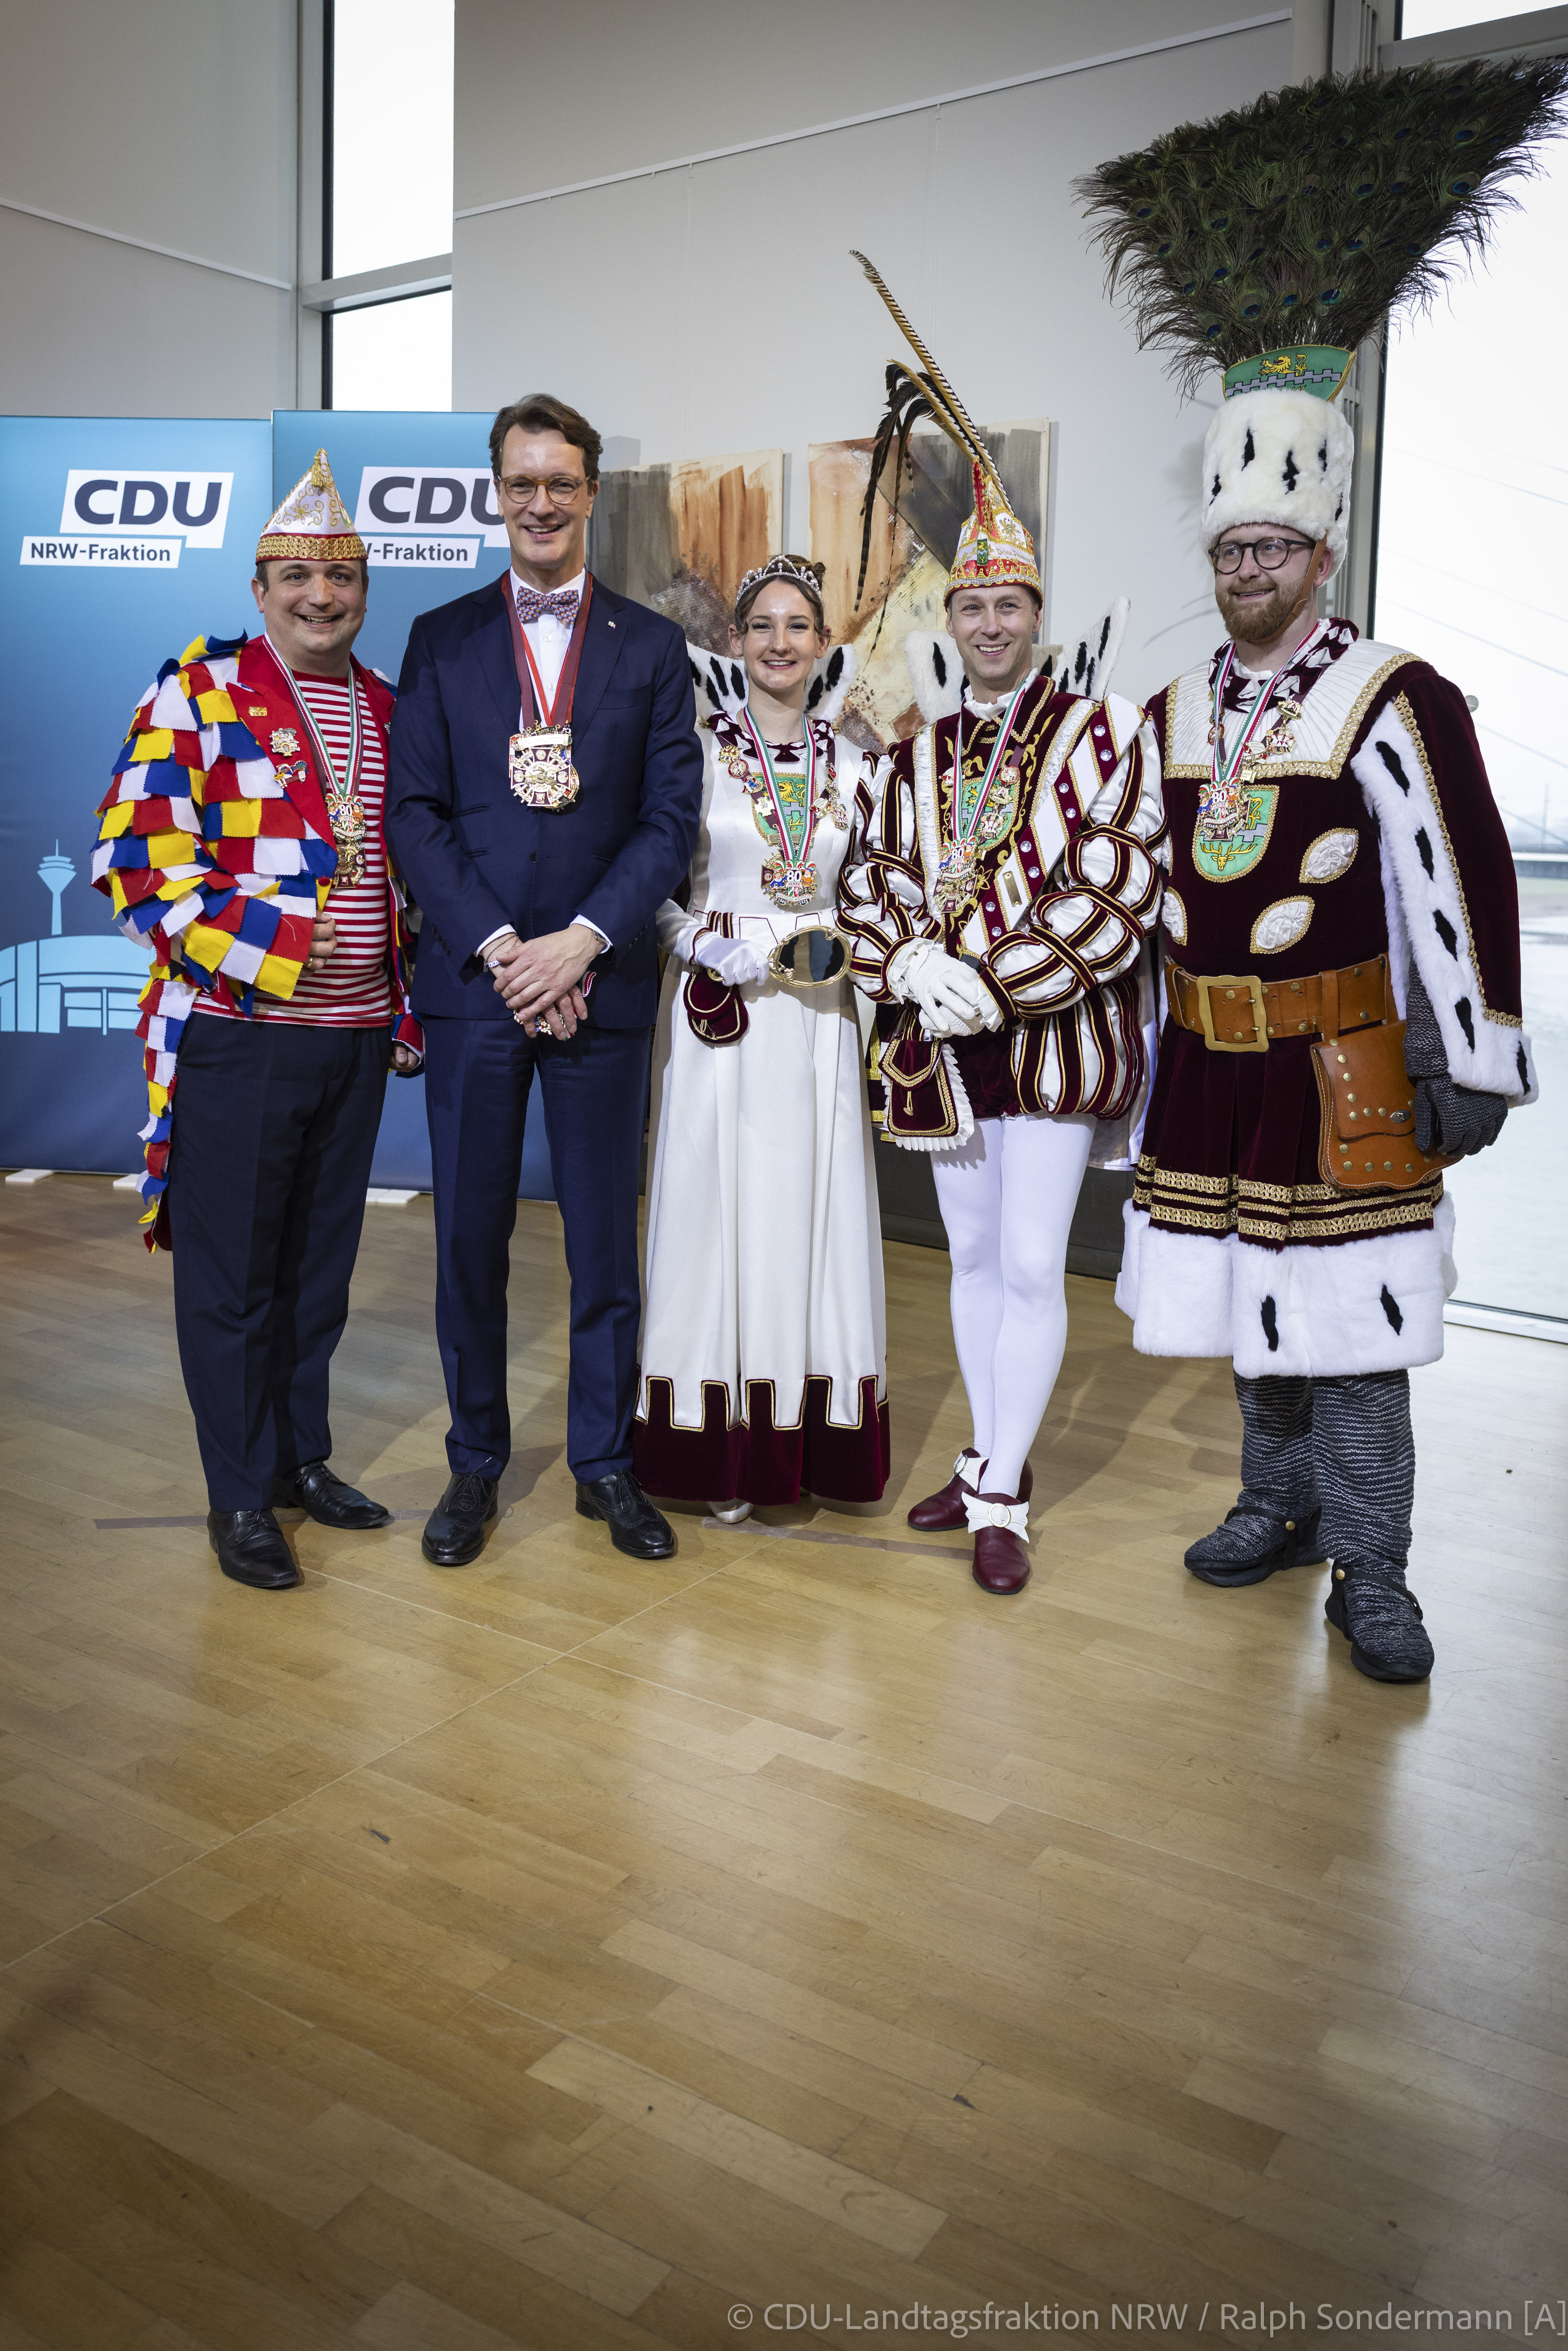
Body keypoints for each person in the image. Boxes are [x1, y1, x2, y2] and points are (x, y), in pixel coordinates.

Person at [1078, 59, 1554, 1680]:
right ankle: (1273, 1508)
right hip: (1213, 1069)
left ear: (1320, 547)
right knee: (1245, 1310)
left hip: (1347, 1058)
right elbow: (1141, 892)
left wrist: (1469, 1056)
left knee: (1353, 1332)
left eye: (1269, 547)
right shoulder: (1174, 706)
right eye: (1228, 549)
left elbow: (1459, 877)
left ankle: (1374, 1568)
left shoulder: (1391, 694)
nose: (1246, 569)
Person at [837, 259, 1166, 1596]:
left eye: (1008, 606)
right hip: (945, 1042)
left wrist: (990, 977)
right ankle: (990, 1462)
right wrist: (912, 964)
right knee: (971, 1259)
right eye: (969, 606)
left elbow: (1120, 887)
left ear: (1037, 615)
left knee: (1034, 1262)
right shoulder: (915, 751)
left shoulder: (1102, 731)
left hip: (1051, 1044)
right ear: (952, 617)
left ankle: (1002, 1500)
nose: (987, 623)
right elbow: (868, 880)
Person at [91, 452, 423, 1591]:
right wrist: (274, 939)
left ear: (364, 589)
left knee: (317, 1272)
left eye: (342, 579)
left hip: (357, 1039)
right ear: (259, 588)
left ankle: (296, 1461)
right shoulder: (197, 695)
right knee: (232, 1276)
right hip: (241, 1034)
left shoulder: (391, 706)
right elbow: (137, 860)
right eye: (297, 578)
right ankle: (238, 1496)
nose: (321, 597)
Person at [386, 394, 704, 1568]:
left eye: (560, 482)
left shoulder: (653, 647)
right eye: (521, 483)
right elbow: (414, 814)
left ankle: (604, 1463)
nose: (541, 503)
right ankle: (475, 1462)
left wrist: (580, 941)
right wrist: (504, 950)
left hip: (598, 985)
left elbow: (669, 820)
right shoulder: (440, 639)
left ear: (591, 492)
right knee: (468, 1240)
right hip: (477, 988)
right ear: (496, 493)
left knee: (601, 1246)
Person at [635, 557, 888, 1518]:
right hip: (720, 1009)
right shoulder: (689, 757)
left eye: (797, 627)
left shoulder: (860, 768)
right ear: (734, 643)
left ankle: (802, 1451)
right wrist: (696, 940)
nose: (779, 643)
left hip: (818, 1015)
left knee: (808, 1210)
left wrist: (843, 945)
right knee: (713, 1210)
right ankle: (713, 1453)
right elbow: (651, 886)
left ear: (822, 645)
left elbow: (877, 896)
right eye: (761, 626)